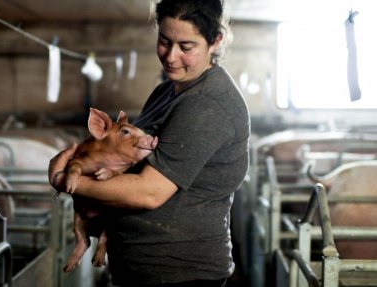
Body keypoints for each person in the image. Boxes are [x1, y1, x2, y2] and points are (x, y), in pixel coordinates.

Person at [48, 0, 250, 286]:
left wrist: (66, 180)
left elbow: (148, 193)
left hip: (178, 272)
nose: (170, 56)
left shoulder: (207, 104)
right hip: (140, 265)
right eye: (164, 41)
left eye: (186, 46)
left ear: (215, 41)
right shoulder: (166, 90)